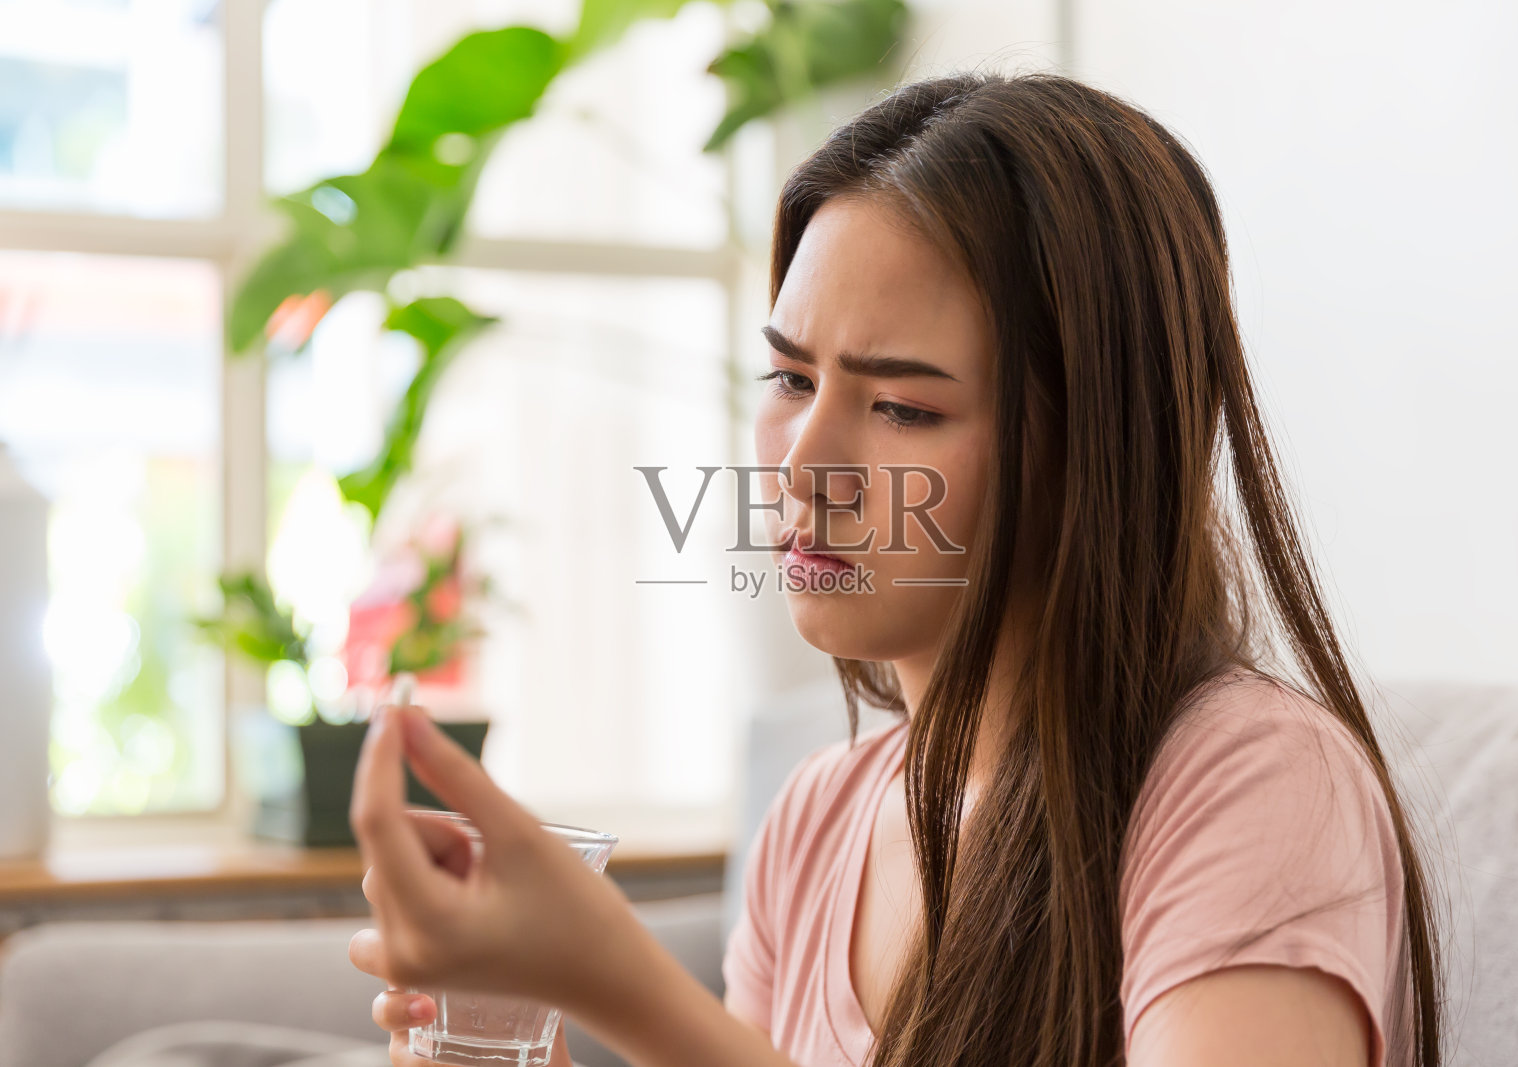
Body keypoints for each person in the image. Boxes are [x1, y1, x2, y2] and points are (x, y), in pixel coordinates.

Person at [347, 71, 1446, 1067]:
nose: (803, 460)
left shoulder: (1252, 785)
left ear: (1090, 452)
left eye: (902, 406)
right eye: (788, 378)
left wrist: (620, 984)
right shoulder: (816, 820)